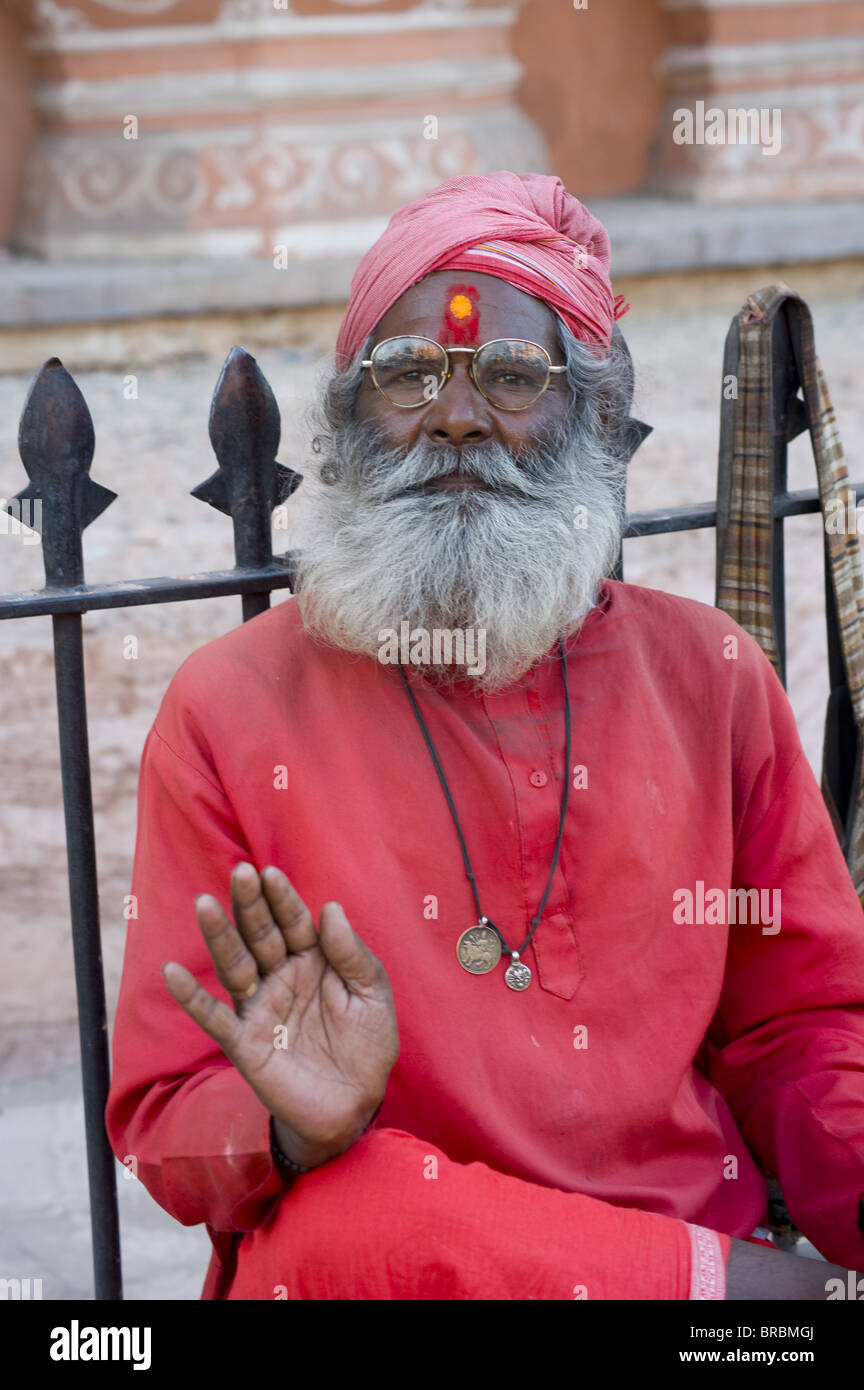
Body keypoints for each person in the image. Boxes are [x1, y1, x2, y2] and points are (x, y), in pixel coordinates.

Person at [106, 171, 864, 1301]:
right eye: (408, 374)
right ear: (346, 420)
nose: (456, 414)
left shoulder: (710, 679)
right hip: (415, 1276)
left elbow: (802, 1030)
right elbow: (165, 1115)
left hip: (686, 1239)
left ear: (594, 417)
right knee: (356, 1217)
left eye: (512, 374)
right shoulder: (231, 707)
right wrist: (288, 1125)